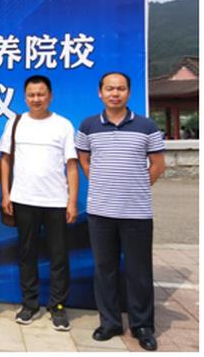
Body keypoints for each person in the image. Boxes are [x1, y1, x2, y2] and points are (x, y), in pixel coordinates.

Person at [75, 72, 165, 352]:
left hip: (137, 212)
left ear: (129, 92)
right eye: (109, 89)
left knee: (139, 270)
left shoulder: (146, 126)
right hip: (100, 212)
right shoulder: (88, 126)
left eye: (121, 89)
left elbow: (158, 165)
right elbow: (84, 161)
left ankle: (142, 325)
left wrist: (136, 187)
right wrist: (103, 185)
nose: (115, 93)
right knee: (105, 269)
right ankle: (110, 322)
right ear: (100, 92)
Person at [0, 75, 78, 331]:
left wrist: (72, 201)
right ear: (25, 97)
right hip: (23, 199)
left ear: (50, 96)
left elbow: (71, 165)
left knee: (58, 256)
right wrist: (5, 194)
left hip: (56, 201)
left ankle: (58, 306)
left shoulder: (63, 125)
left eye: (41, 94)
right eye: (31, 95)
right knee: (27, 254)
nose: (36, 99)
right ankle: (30, 304)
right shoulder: (16, 123)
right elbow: (5, 160)